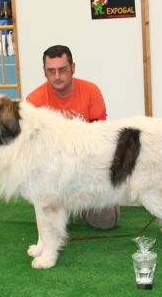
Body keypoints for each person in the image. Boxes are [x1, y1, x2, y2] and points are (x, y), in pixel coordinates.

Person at [26, 45, 119, 230]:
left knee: (108, 221)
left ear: (73, 68)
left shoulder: (91, 91)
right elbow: (31, 150)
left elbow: (102, 142)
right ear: (44, 72)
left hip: (87, 171)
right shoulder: (33, 101)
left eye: (63, 70)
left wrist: (77, 129)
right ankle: (61, 205)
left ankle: (77, 204)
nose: (57, 76)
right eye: (51, 71)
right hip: (52, 175)